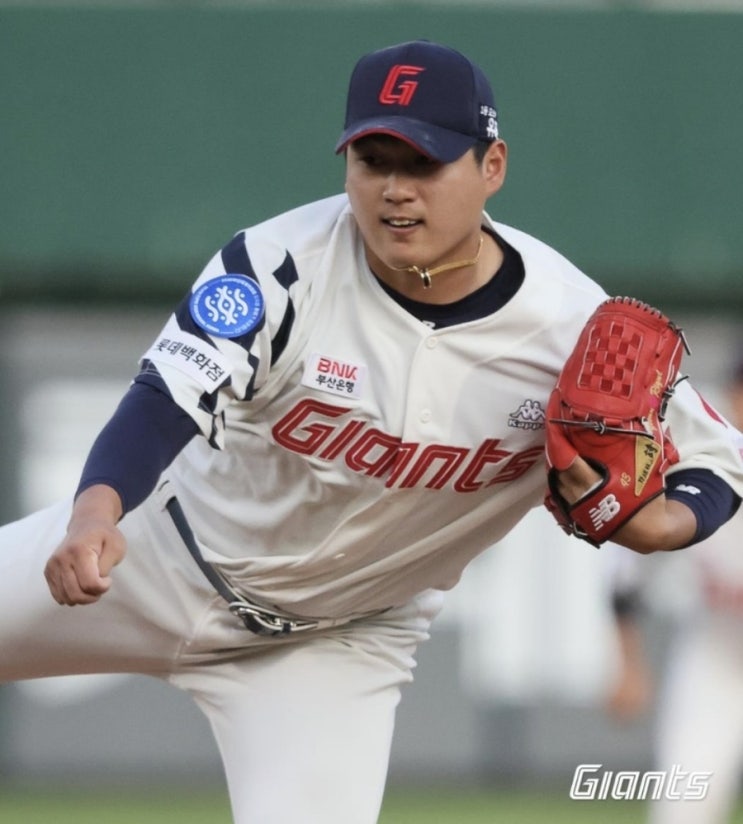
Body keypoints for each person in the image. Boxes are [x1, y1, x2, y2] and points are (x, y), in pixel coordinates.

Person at [1, 40, 741, 824]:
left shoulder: (570, 327)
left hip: (335, 648)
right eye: (371, 159)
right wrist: (95, 511)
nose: (394, 190)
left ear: (492, 167)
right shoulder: (280, 263)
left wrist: (669, 522)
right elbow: (163, 397)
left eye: (423, 163)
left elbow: (718, 457)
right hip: (160, 555)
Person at [607, 355, 743, 823]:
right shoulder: (705, 466)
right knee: (683, 803)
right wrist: (629, 666)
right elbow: (626, 579)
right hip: (718, 653)